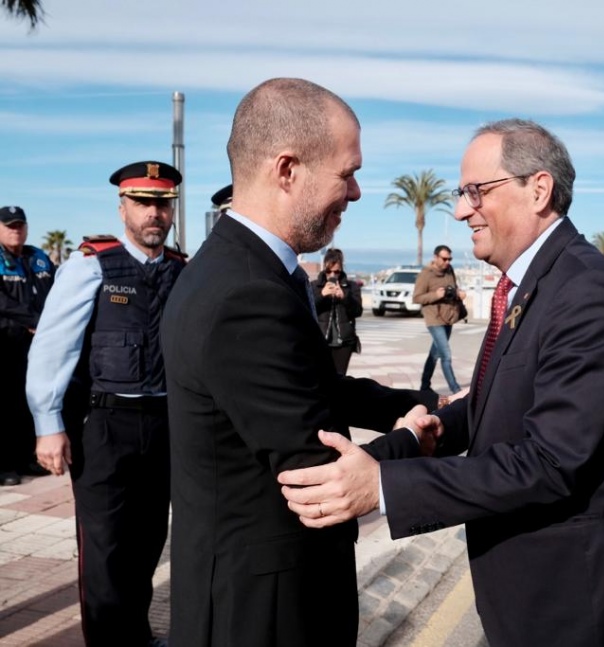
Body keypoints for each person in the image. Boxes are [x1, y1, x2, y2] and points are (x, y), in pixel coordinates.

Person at [279, 119, 604, 646]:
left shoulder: (586, 291)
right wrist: (426, 430)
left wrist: (383, 487)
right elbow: (492, 403)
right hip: (525, 587)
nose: (462, 211)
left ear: (538, 189)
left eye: (475, 192)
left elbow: (550, 461)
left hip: (573, 596)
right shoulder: (534, 282)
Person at [159, 78, 438, 647]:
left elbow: (311, 388)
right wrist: (412, 438)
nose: (356, 192)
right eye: (347, 172)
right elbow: (319, 477)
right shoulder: (244, 293)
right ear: (287, 170)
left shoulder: (249, 268)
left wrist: (422, 404)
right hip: (262, 608)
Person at [26, 161, 185, 647]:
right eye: (142, 203)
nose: (153, 214)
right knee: (105, 547)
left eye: (162, 204)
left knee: (147, 541)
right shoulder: (91, 265)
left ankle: (134, 636)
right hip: (105, 426)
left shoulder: (181, 271)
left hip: (164, 425)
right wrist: (48, 424)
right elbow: (54, 347)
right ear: (123, 209)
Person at [0, 205, 54, 486]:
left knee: (28, 403)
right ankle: (4, 465)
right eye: (9, 225)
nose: (15, 230)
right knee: (4, 405)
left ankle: (25, 458)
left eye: (19, 225)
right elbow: (4, 303)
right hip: (5, 345)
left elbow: (58, 291)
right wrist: (34, 320)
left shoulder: (39, 258)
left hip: (36, 346)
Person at [413, 244, 465, 394]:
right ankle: (455, 389)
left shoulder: (450, 271)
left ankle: (424, 386)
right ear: (435, 258)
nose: (447, 262)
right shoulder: (426, 274)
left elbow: (453, 289)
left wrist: (458, 293)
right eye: (444, 259)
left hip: (449, 317)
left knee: (435, 354)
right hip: (434, 319)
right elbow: (417, 298)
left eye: (450, 259)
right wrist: (436, 295)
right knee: (446, 355)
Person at [313, 247, 362, 375]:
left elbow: (357, 311)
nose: (332, 275)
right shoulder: (314, 286)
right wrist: (322, 295)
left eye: (337, 272)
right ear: (324, 269)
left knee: (339, 378)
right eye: (329, 271)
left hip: (344, 342)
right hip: (320, 341)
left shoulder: (351, 287)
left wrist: (344, 297)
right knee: (321, 377)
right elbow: (306, 309)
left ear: (341, 270)